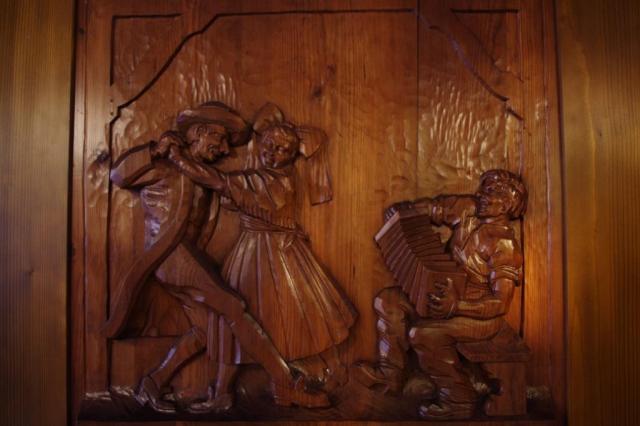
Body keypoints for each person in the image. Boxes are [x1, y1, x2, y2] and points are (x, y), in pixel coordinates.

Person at [104, 102, 329, 413]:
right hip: (171, 256)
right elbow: (118, 175)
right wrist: (155, 149)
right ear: (199, 132)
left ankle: (153, 384)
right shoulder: (164, 166)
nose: (224, 149)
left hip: (186, 256)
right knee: (233, 307)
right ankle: (284, 380)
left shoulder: (199, 174)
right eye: (220, 139)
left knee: (208, 330)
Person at [166, 103, 356, 408]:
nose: (272, 153)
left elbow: (218, 181)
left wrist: (177, 158)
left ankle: (291, 384)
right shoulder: (259, 177)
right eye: (268, 146)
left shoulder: (277, 181)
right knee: (231, 324)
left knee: (282, 323)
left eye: (282, 150)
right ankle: (223, 392)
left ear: (292, 156)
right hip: (250, 252)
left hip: (275, 256)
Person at [354, 169, 527, 420]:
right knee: (388, 301)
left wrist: (457, 306)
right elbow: (434, 208)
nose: (481, 195)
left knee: (424, 334)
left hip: (477, 314)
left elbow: (499, 304)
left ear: (508, 203)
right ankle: (390, 374)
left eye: (491, 192)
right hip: (441, 294)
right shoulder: (469, 209)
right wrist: (404, 212)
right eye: (483, 189)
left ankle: (458, 398)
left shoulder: (505, 246)